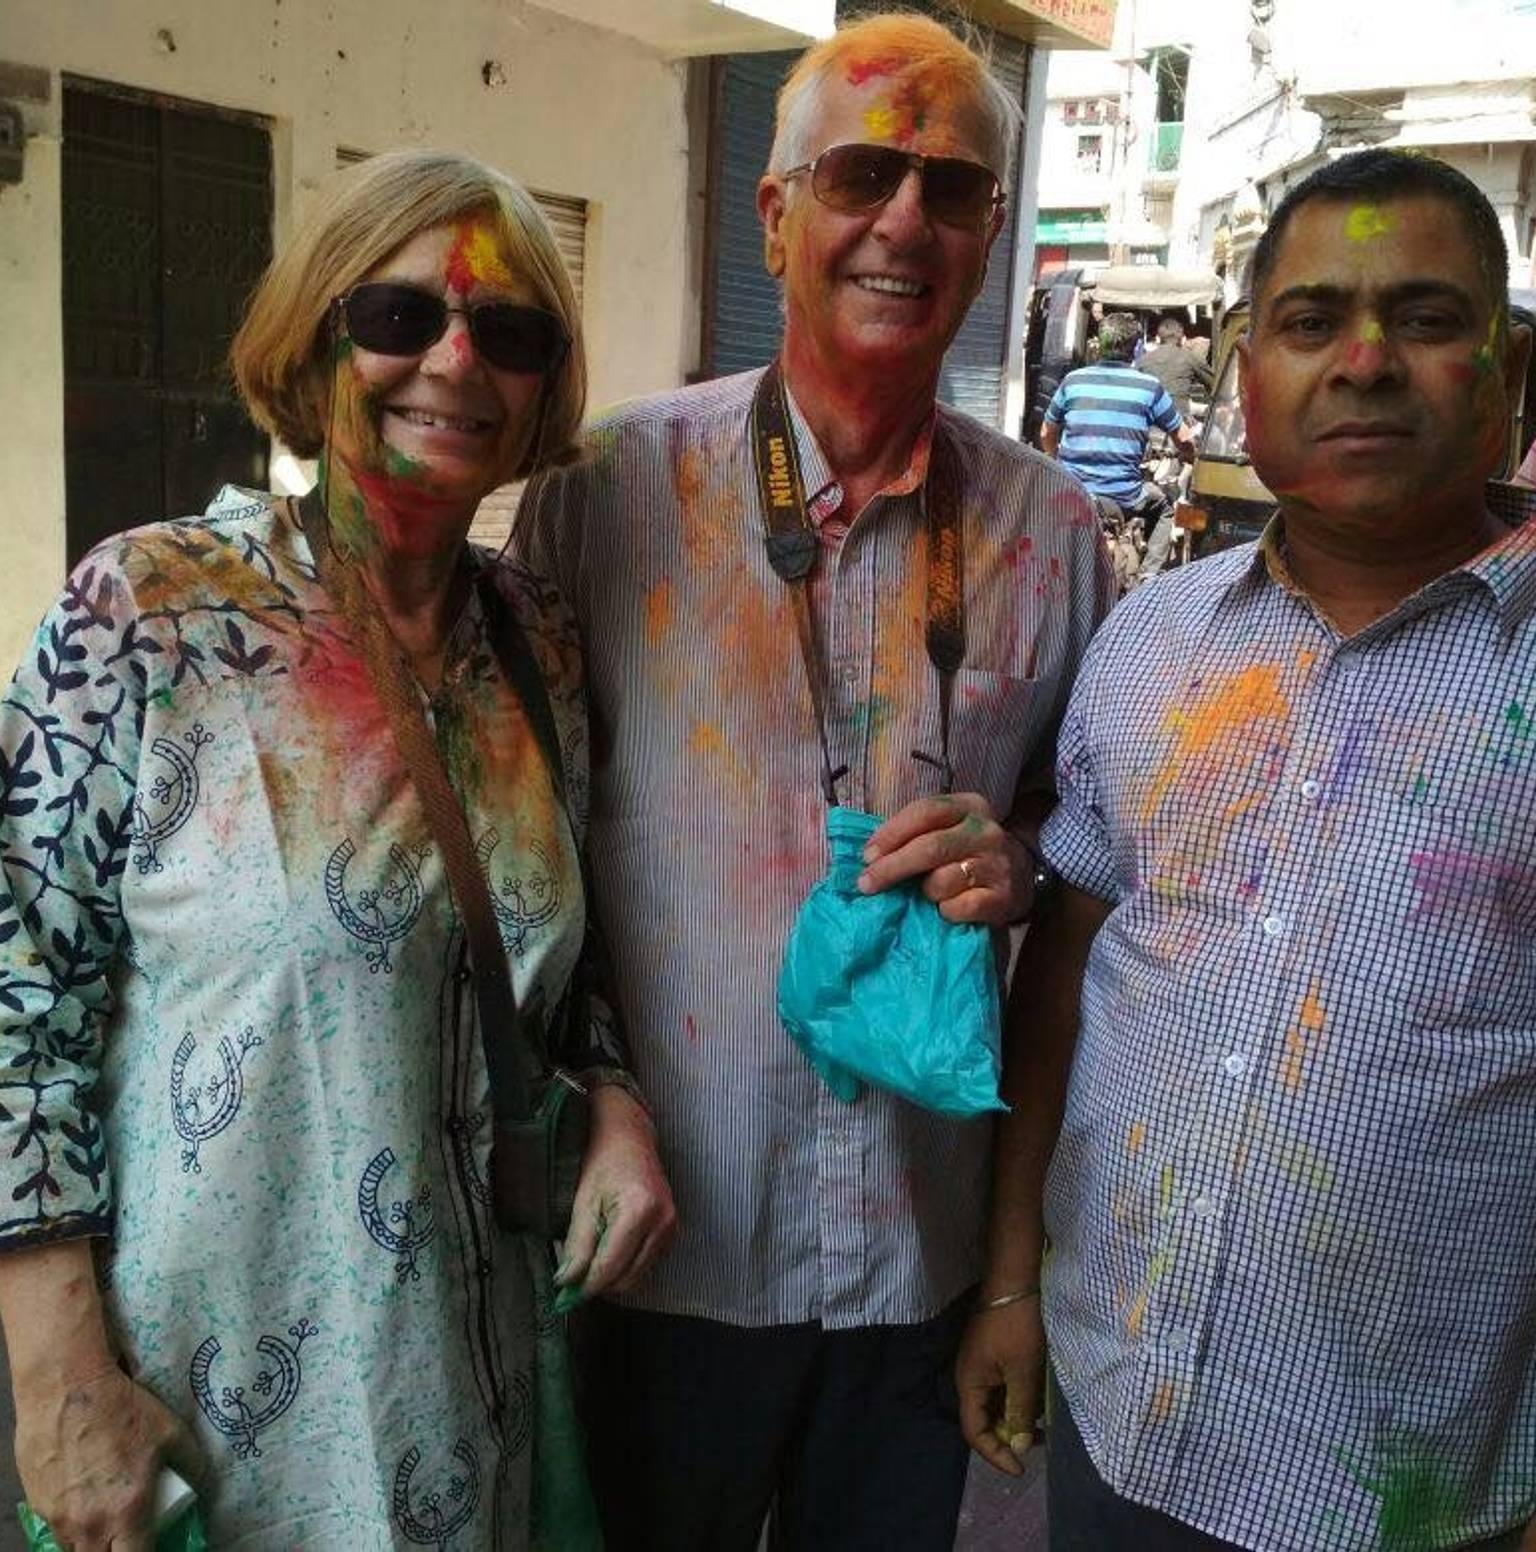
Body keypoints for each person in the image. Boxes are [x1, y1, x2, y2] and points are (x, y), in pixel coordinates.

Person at [0, 148, 675, 1547]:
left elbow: (566, 965)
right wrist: (58, 1379)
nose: (455, 361)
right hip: (202, 1415)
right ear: (312, 349)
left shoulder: (537, 643)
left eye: (509, 332)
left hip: (471, 1399)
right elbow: (17, 992)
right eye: (399, 316)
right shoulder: (149, 609)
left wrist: (614, 1100)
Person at [512, 14, 1113, 1550]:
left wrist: (1019, 864)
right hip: (672, 1245)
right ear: (777, 217)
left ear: (992, 232)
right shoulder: (604, 490)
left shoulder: (1053, 533)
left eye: (952, 188)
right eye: (862, 176)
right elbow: (526, 853)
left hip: (919, 1250)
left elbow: (1083, 841)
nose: (905, 220)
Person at [956, 147, 1536, 1550]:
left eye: (1427, 318)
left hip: (1405, 1491)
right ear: (1245, 368)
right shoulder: (1153, 639)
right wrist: (1012, 1281)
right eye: (1313, 319)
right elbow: (1069, 974)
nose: (1366, 362)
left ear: (1511, 369)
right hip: (1115, 1409)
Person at [1041, 311, 1196, 584]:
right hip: (1125, 496)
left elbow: (1046, 432)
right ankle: (1148, 578)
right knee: (1167, 506)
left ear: (1098, 346)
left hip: (1071, 493)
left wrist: (1054, 459)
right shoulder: (1149, 387)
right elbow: (1184, 439)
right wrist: (1189, 455)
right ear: (1136, 349)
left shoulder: (1073, 380)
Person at [1140, 316, 1214, 419]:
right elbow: (1214, 383)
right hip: (1179, 418)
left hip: (1150, 417)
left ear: (1158, 338)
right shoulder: (1189, 357)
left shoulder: (1143, 360)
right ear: (1182, 338)